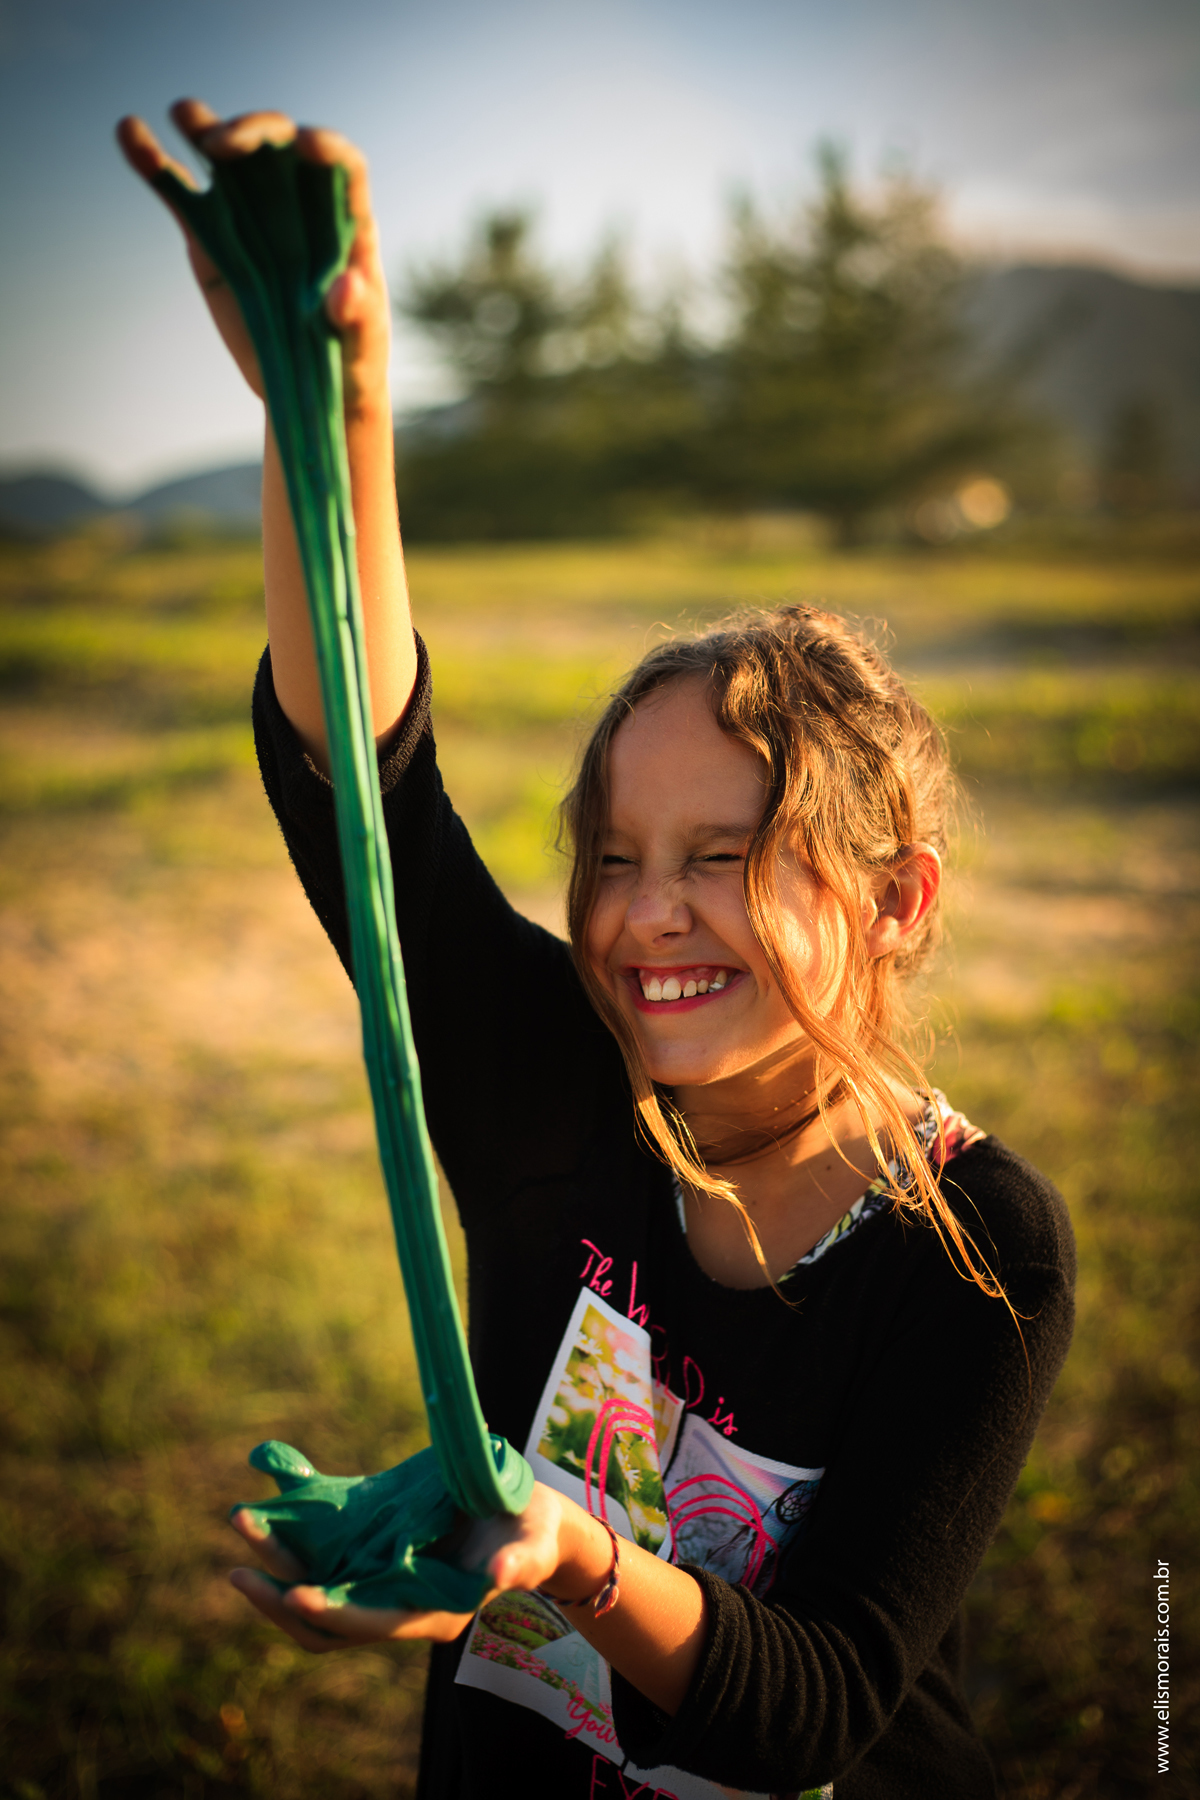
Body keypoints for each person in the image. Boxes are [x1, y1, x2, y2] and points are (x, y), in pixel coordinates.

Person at [119, 103, 1075, 1800]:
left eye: (726, 858)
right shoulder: (557, 1092)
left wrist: (570, 1555)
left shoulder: (976, 1249)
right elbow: (366, 782)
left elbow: (822, 1708)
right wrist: (330, 411)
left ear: (900, 903)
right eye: (615, 858)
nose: (645, 916)